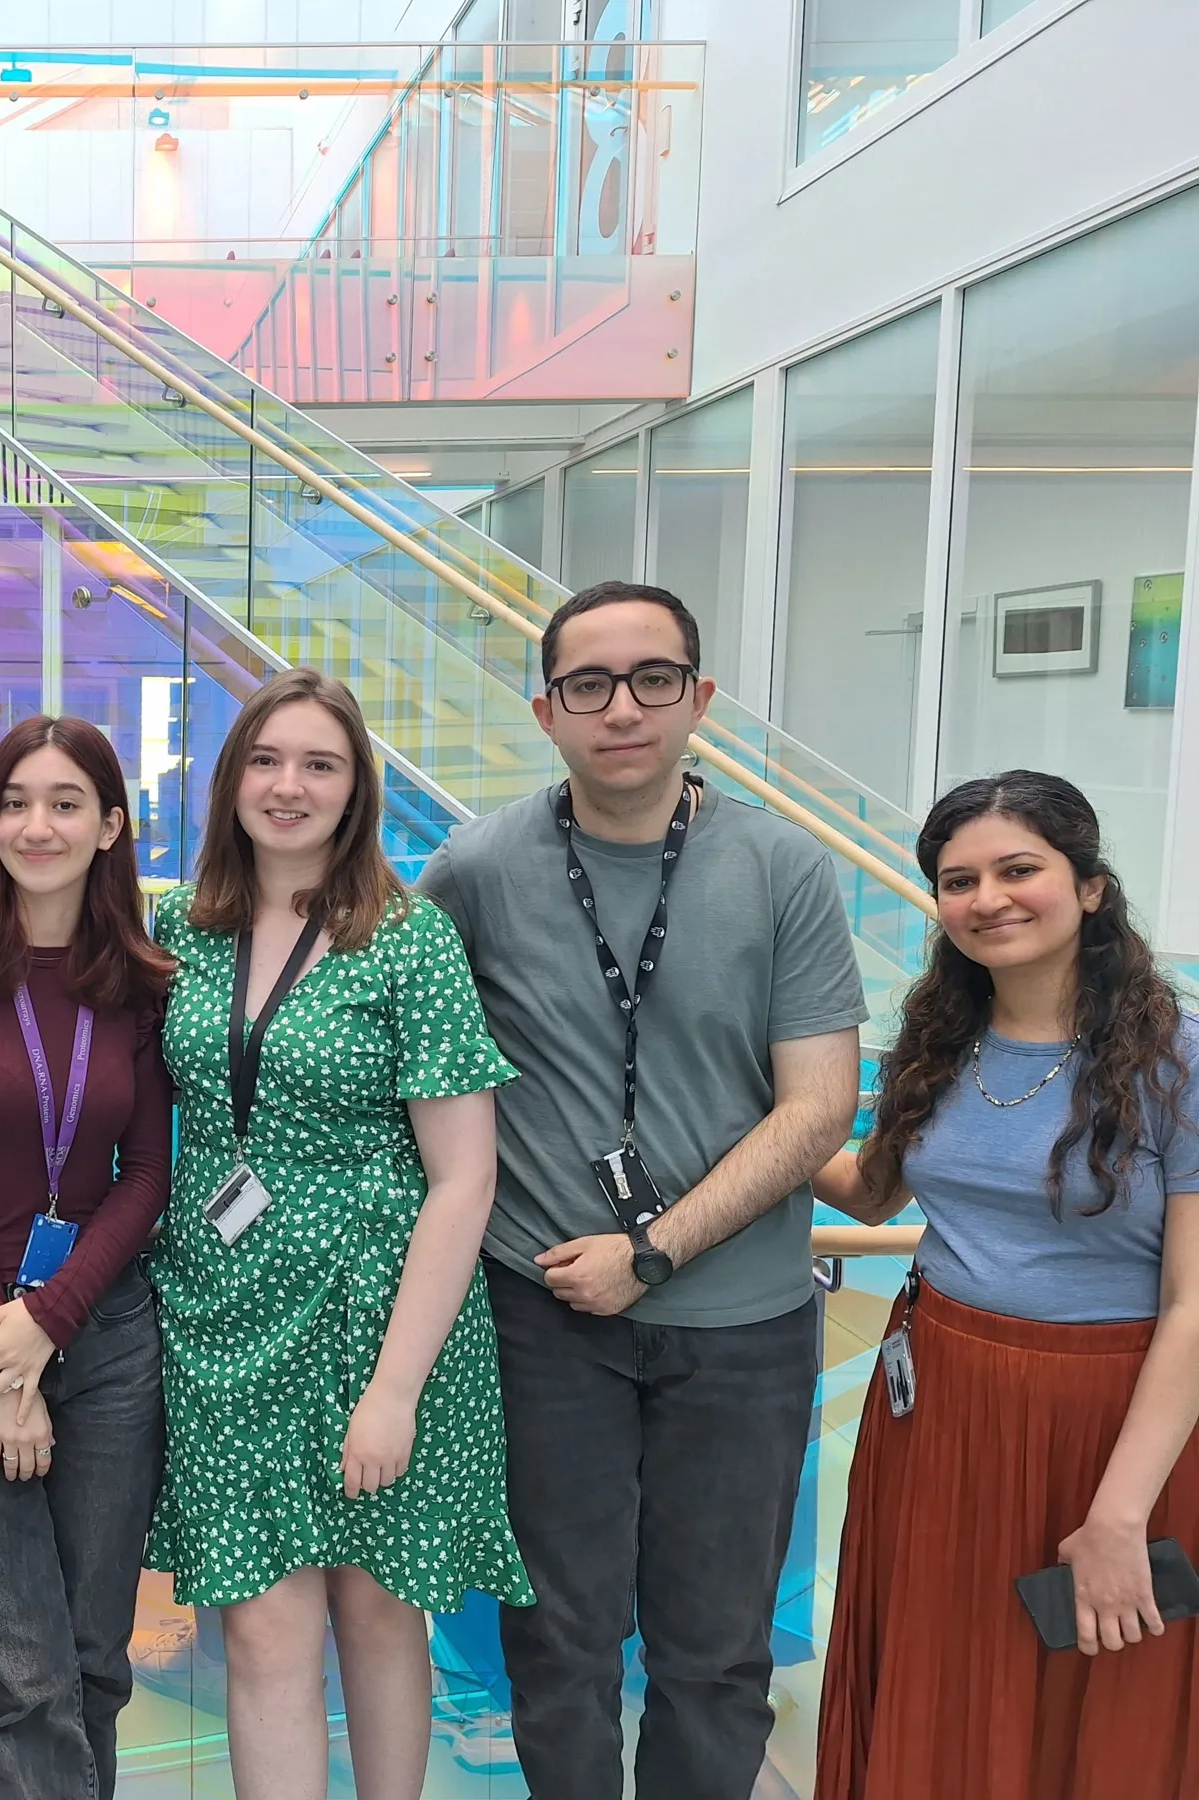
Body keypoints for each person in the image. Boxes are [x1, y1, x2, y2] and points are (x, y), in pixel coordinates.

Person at [413, 579, 866, 1799]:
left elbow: (819, 1105)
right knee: (556, 1646)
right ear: (546, 711)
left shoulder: (782, 866)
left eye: (653, 679)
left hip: (745, 1325)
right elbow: (394, 1047)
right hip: (544, 1318)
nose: (622, 708)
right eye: (588, 685)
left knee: (715, 1656)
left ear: (699, 698)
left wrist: (653, 1250)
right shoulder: (476, 869)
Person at [146, 666, 532, 1800]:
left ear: (357, 788)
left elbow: (463, 1178)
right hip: (221, 1319)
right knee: (261, 1628)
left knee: (376, 1610)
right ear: (230, 780)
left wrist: (395, 1391)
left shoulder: (410, 941)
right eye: (267, 761)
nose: (289, 786)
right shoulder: (182, 929)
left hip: (376, 1321)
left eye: (320, 764)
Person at [814, 771, 1199, 1799]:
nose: (988, 899)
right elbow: (870, 1194)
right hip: (936, 1406)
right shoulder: (939, 1040)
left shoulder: (1178, 1064)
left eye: (1019, 870)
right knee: (943, 1678)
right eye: (959, 880)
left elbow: (1193, 1308)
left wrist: (1119, 1516)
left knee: (1097, 1701)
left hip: (1108, 1427)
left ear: (1090, 887)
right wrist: (754, 1113)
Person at [0, 715, 176, 1798]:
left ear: (110, 826)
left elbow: (147, 1176)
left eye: (64, 803)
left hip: (105, 1345)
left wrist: (49, 1322)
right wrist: (1, 1370)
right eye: (15, 803)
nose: (36, 825)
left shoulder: (141, 983)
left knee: (94, 1666)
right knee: (24, 1681)